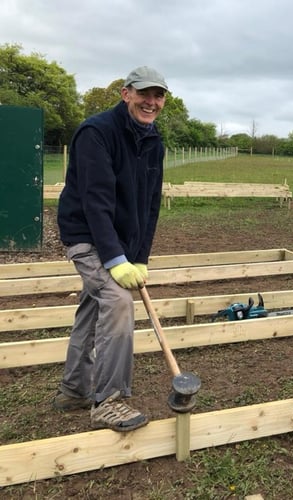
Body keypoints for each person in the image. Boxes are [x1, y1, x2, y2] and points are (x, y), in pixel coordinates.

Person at [53, 66, 169, 431]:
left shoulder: (154, 143)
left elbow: (150, 205)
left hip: (119, 242)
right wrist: (116, 261)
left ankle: (74, 389)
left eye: (158, 95)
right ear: (126, 93)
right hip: (86, 233)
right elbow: (95, 201)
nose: (151, 102)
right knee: (117, 301)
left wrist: (139, 257)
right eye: (144, 94)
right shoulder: (97, 132)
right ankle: (109, 401)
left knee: (94, 306)